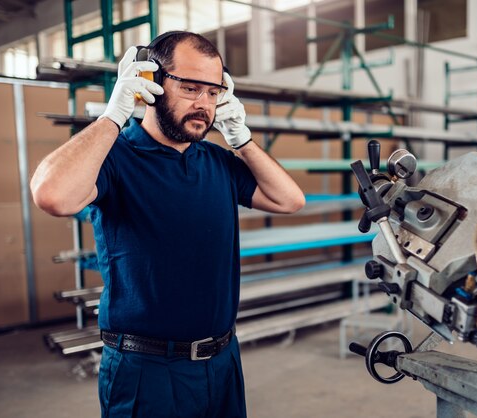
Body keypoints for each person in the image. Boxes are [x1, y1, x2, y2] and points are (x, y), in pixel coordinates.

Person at [31, 31, 305, 417]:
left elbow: (289, 200)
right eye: (191, 88)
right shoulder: (116, 156)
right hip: (146, 371)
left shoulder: (218, 161)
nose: (204, 105)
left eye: (213, 93)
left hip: (221, 360)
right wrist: (113, 116)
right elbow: (52, 195)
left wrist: (241, 139)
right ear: (150, 83)